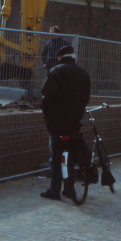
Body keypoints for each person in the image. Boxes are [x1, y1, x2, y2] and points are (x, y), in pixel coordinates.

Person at [39, 45, 91, 201]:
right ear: (73, 57)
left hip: (57, 122)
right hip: (74, 122)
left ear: (60, 57)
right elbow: (86, 97)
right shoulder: (84, 73)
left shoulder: (56, 71)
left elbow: (46, 97)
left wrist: (48, 116)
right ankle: (70, 189)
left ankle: (55, 190)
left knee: (55, 156)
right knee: (71, 154)